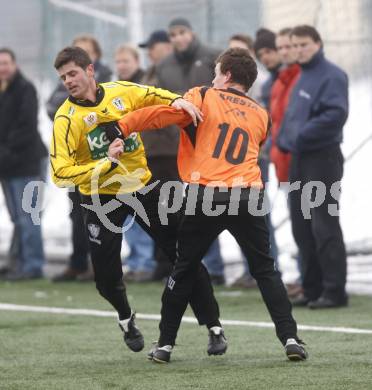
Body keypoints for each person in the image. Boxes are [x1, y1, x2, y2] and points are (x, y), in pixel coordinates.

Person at [110, 47, 308, 363]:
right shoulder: (261, 113)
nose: (212, 77)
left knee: (184, 267)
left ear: (226, 75)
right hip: (249, 196)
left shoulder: (203, 95)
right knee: (266, 270)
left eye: (216, 72)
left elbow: (164, 113)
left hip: (207, 194)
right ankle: (291, 338)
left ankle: (165, 345)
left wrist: (123, 126)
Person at [50, 46, 225, 355]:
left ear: (90, 70)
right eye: (63, 77)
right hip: (99, 197)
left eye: (73, 73)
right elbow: (59, 173)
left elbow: (152, 94)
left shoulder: (120, 91)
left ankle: (213, 326)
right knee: (105, 277)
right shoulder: (66, 118)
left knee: (184, 254)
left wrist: (177, 100)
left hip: (141, 187)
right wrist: (106, 163)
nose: (68, 81)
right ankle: (125, 317)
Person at [277, 25, 348, 309]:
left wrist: (299, 136)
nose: (298, 50)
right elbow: (291, 118)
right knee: (301, 224)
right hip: (299, 158)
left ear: (318, 43)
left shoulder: (331, 75)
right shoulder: (302, 76)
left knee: (323, 224)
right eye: (294, 45)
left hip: (322, 158)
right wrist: (285, 139)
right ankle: (312, 287)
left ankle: (334, 291)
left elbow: (335, 114)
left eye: (304, 44)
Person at [155, 17, 225, 285]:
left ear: (192, 32)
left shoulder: (211, 56)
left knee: (224, 207)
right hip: (184, 147)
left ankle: (230, 268)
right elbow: (163, 102)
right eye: (173, 34)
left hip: (215, 145)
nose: (178, 38)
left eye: (182, 32)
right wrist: (177, 132)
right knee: (194, 210)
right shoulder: (164, 65)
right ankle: (204, 268)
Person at [50, 35, 112, 282]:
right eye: (64, 77)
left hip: (101, 158)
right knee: (78, 212)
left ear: (92, 60)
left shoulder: (107, 80)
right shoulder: (67, 83)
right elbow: (52, 104)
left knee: (104, 213)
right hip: (76, 160)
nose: (68, 80)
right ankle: (78, 262)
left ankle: (101, 266)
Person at [0, 48, 47, 280]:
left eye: (6, 63)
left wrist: (5, 151)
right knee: (17, 218)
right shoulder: (3, 90)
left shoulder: (25, 89)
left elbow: (26, 126)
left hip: (27, 163)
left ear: (14, 64)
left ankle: (33, 265)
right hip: (7, 166)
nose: (2, 68)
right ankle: (20, 262)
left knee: (29, 216)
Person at [114, 44, 155, 282]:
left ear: (137, 62)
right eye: (118, 62)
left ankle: (146, 262)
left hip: (142, 159)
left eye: (126, 61)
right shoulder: (113, 90)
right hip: (122, 162)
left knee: (142, 212)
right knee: (127, 214)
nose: (122, 66)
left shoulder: (142, 88)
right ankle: (136, 260)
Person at [270, 28, 302, 298]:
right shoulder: (281, 80)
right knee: (299, 224)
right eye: (279, 47)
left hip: (303, 161)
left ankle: (312, 279)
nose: (284, 52)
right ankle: (305, 277)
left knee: (312, 221)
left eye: (288, 46)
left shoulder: (302, 79)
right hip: (283, 163)